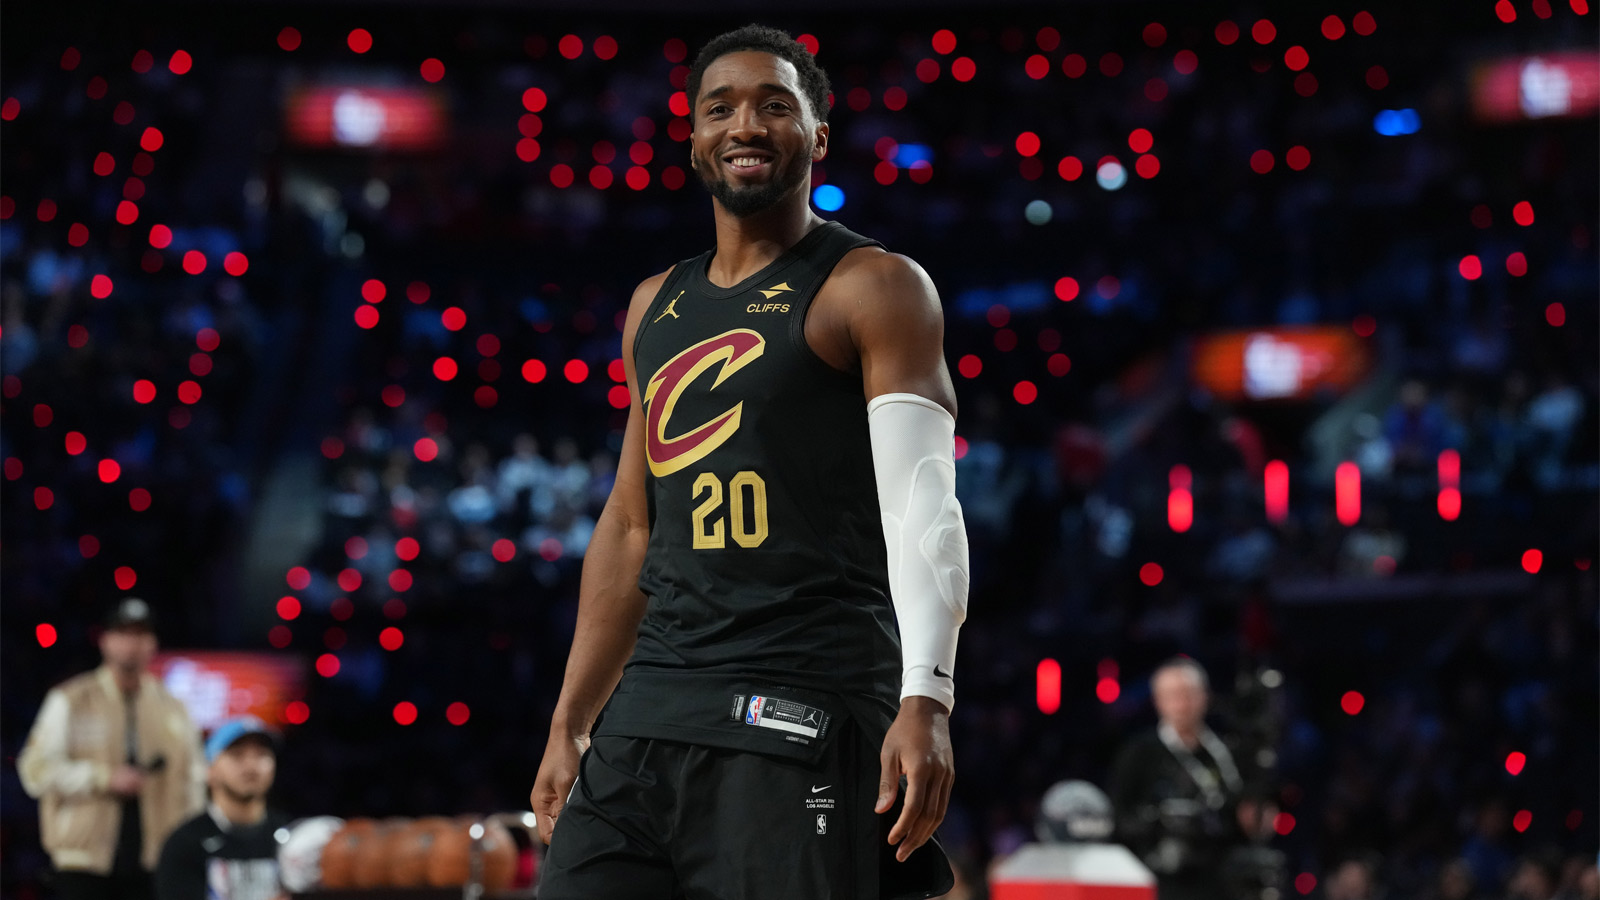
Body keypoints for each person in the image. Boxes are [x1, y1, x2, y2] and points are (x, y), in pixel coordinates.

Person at [530, 23, 967, 900]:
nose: (746, 126)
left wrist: (927, 694)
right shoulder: (655, 303)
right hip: (654, 701)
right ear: (692, 140)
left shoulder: (874, 286)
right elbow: (628, 524)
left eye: (776, 105)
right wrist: (571, 716)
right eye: (720, 107)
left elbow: (923, 505)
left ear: (818, 137)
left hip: (800, 693)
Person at [18, 598, 205, 900]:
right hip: (83, 862)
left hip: (154, 862)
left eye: (141, 635)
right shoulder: (72, 699)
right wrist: (102, 778)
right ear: (105, 641)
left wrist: (190, 847)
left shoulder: (173, 708)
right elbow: (34, 770)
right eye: (123, 634)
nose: (131, 644)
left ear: (153, 643)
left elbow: (193, 783)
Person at [1108, 658, 1245, 900]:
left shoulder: (1226, 752)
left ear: (1206, 696)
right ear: (1158, 701)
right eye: (1173, 695)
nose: (1182, 704)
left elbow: (1241, 816)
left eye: (1189, 694)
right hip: (1159, 878)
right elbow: (1118, 817)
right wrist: (1158, 822)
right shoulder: (1139, 752)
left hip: (1218, 879)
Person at [155, 717, 290, 900]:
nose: (251, 766)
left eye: (261, 754)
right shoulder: (185, 843)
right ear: (209, 770)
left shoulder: (290, 836)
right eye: (237, 754)